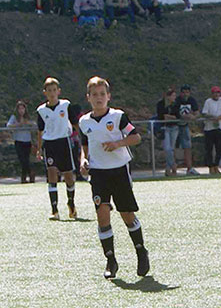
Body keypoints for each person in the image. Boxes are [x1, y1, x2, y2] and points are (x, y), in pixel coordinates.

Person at [78, 76, 149, 280]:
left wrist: (117, 144)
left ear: (108, 96)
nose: (99, 98)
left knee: (126, 214)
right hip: (98, 173)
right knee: (102, 214)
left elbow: (136, 137)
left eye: (102, 94)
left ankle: (141, 252)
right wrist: (84, 160)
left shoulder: (118, 117)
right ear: (88, 98)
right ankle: (111, 260)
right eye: (94, 95)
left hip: (119, 171)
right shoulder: (84, 122)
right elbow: (84, 145)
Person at [36, 78, 77, 220]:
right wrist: (39, 148)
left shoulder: (65, 105)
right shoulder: (41, 110)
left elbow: (75, 123)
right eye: (49, 91)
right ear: (45, 93)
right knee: (52, 173)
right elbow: (40, 131)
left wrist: (80, 139)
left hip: (64, 142)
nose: (52, 93)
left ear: (58, 91)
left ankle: (71, 203)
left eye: (54, 90)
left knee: (68, 175)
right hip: (50, 144)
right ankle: (54, 209)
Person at [8, 100, 38, 184]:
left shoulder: (27, 117)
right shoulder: (14, 117)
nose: (21, 110)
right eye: (19, 109)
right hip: (18, 141)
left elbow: (35, 125)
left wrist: (28, 123)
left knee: (26, 159)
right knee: (22, 160)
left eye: (23, 108)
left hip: (27, 141)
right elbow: (9, 125)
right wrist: (18, 124)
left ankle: (24, 178)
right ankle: (30, 173)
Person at [172, 84, 199, 175]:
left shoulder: (192, 100)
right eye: (183, 92)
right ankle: (173, 168)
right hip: (175, 126)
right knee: (174, 147)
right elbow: (174, 113)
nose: (185, 94)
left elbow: (197, 112)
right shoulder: (177, 100)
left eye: (187, 92)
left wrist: (193, 116)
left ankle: (189, 168)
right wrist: (183, 116)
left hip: (185, 126)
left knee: (187, 146)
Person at [201, 86, 221, 174]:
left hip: (220, 126)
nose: (216, 94)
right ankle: (210, 166)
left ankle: (216, 165)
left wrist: (219, 118)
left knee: (219, 148)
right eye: (215, 93)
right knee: (209, 148)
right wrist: (213, 117)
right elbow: (204, 113)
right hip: (209, 128)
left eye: (218, 93)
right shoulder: (208, 101)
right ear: (212, 94)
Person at [155, 87, 179, 175]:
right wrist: (169, 116)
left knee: (172, 148)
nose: (174, 97)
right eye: (173, 96)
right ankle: (173, 165)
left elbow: (177, 116)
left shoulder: (175, 104)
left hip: (174, 128)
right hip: (165, 128)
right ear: (168, 96)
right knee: (167, 148)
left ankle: (168, 169)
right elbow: (161, 116)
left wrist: (169, 116)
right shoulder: (161, 104)